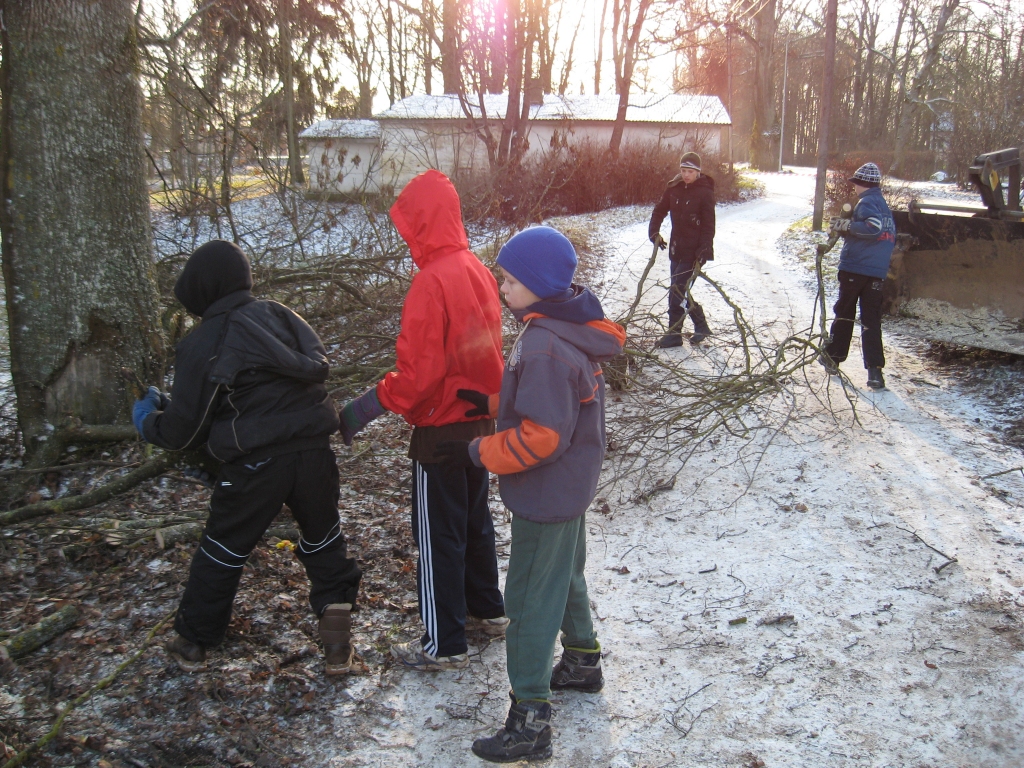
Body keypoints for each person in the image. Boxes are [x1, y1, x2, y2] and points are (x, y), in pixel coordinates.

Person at [433, 226, 626, 763]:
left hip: (545, 493)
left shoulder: (542, 346)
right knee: (564, 574)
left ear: (539, 284)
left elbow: (541, 435)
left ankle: (529, 719)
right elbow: (547, 397)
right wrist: (494, 397)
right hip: (568, 489)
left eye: (511, 279)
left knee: (528, 599)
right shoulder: (563, 327)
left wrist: (477, 453)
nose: (501, 287)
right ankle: (583, 661)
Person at [133, 240, 362, 675]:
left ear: (202, 290)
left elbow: (184, 430)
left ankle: (193, 643)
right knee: (324, 541)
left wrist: (147, 420)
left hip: (256, 465)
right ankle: (338, 650)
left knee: (223, 548)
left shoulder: (204, 339)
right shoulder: (282, 316)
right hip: (314, 453)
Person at [337, 170, 507, 672]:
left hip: (440, 434)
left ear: (422, 222)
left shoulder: (430, 282)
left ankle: (444, 643)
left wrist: (367, 405)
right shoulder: (475, 267)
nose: (405, 235)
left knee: (438, 537)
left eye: (409, 225)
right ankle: (488, 612)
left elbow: (418, 377)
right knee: (475, 524)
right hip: (480, 423)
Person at [821, 162, 897, 390]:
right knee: (871, 321)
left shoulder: (867, 203)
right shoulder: (884, 206)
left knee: (844, 313)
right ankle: (875, 373)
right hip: (876, 273)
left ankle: (833, 359)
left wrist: (845, 225)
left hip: (856, 268)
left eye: (855, 184)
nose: (853, 188)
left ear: (860, 184)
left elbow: (873, 229)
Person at [648, 151, 716, 347]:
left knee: (678, 290)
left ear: (698, 172)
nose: (686, 175)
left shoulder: (705, 193)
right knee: (679, 290)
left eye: (690, 171)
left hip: (694, 252)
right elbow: (659, 210)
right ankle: (700, 326)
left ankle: (674, 333)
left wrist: (704, 250)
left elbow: (709, 226)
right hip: (676, 249)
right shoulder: (674, 188)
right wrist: (654, 233)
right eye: (683, 170)